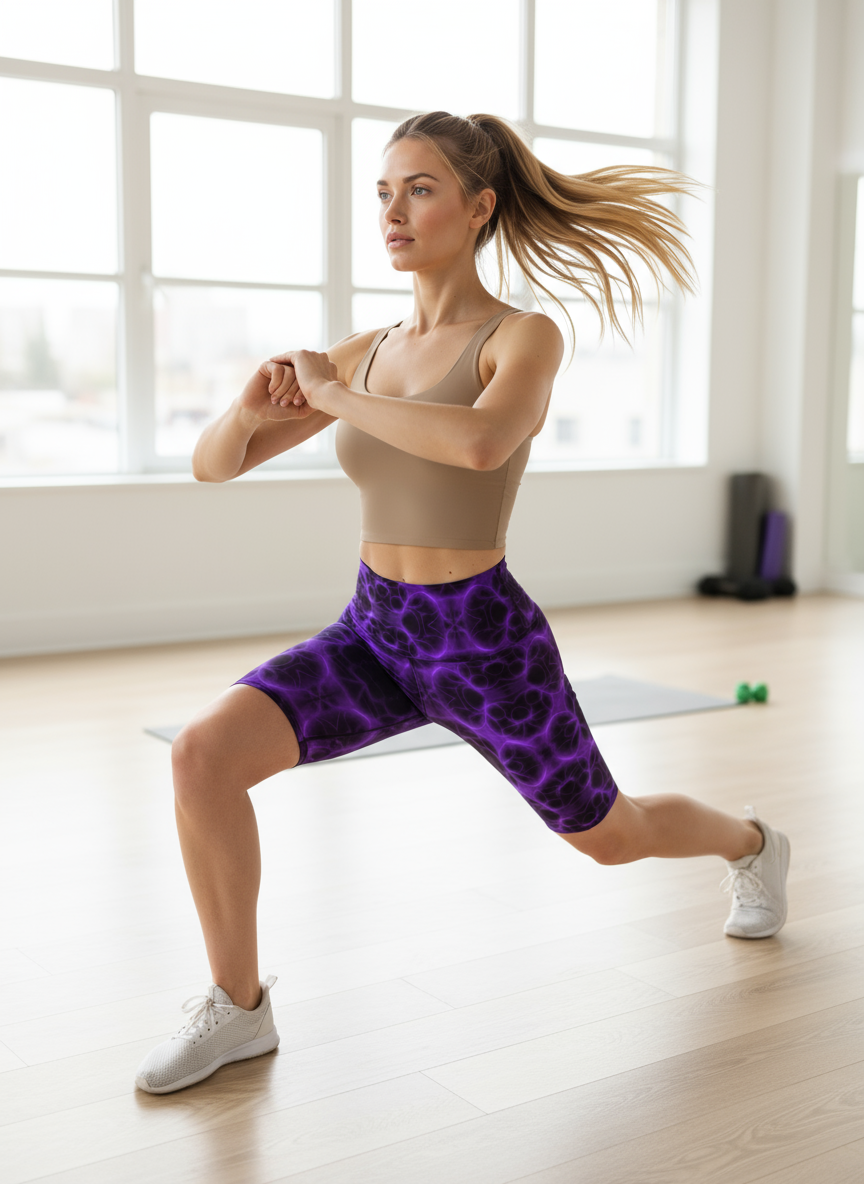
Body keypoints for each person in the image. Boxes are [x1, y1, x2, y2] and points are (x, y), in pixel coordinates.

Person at [135, 111, 790, 1095]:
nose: (395, 211)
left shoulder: (521, 334)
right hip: (375, 630)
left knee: (609, 835)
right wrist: (250, 405)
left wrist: (337, 394)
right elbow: (212, 467)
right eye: (385, 192)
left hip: (483, 642)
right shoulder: (362, 351)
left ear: (479, 206)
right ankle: (239, 1009)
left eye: (421, 188)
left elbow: (482, 443)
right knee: (202, 754)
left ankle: (753, 843)